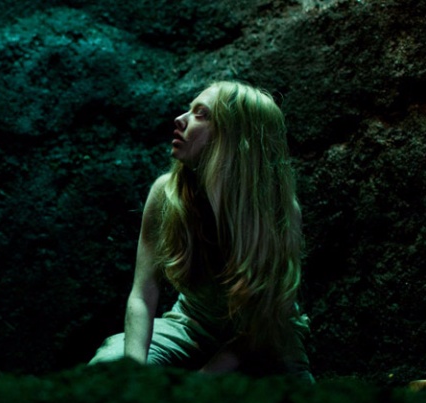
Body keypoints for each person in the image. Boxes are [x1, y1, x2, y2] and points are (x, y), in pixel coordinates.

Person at [89, 80, 313, 382]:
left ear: (234, 136)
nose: (180, 119)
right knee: (109, 366)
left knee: (296, 399)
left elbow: (262, 326)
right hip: (191, 326)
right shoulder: (166, 194)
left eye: (200, 113)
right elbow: (142, 294)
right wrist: (133, 373)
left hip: (266, 339)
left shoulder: (279, 212)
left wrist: (198, 383)